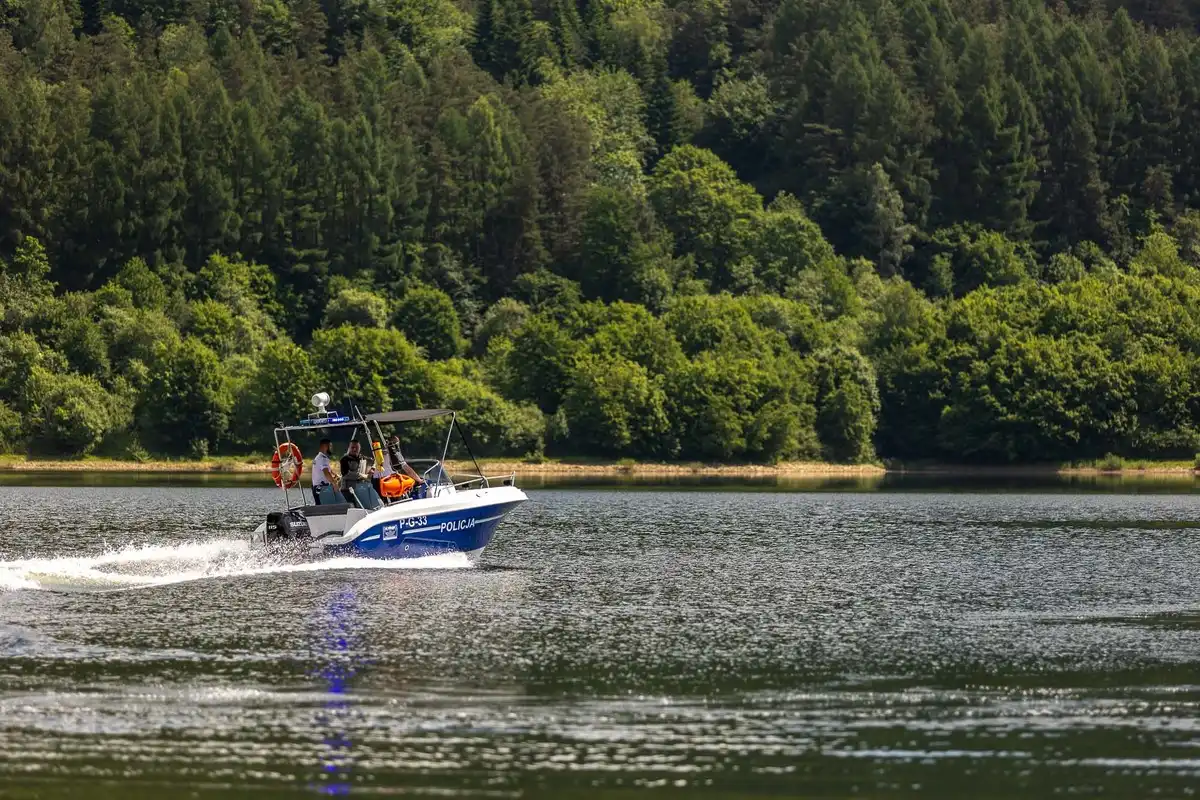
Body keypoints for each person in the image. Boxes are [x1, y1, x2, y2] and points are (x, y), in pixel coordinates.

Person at [311, 438, 340, 505]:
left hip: (316, 488)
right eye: (330, 446)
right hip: (321, 489)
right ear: (325, 446)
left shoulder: (318, 457)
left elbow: (326, 470)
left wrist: (334, 474)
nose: (331, 448)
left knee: (319, 506)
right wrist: (334, 484)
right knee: (325, 507)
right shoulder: (322, 459)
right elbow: (326, 473)